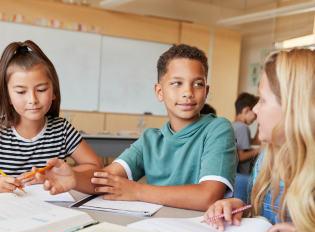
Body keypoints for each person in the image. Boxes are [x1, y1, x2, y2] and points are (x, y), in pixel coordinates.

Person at [32, 44, 238, 211]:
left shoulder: (218, 129)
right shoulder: (151, 139)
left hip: (201, 231)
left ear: (206, 91)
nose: (188, 92)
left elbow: (208, 196)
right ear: (159, 92)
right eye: (176, 83)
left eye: (198, 84)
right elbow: (106, 179)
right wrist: (74, 178)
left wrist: (138, 191)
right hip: (157, 227)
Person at [204, 48, 315, 232]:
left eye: (262, 100)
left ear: (293, 108)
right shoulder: (267, 159)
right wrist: (239, 207)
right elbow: (262, 218)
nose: (255, 110)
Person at [0, 40, 103, 193]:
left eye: (41, 89)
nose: (33, 99)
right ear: (8, 96)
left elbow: (96, 167)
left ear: (54, 91)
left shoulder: (62, 129)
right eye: (21, 92)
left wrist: (61, 176)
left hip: (52, 211)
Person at [232, 92, 261, 175]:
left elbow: (254, 143)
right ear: (246, 110)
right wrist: (263, 148)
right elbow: (241, 157)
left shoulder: (232, 125)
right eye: (255, 115)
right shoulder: (242, 127)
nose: (255, 118)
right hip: (243, 175)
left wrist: (260, 123)